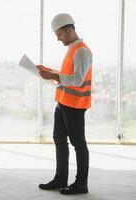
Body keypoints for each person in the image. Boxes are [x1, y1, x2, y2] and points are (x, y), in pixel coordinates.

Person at [37, 13, 92, 195]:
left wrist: (53, 75)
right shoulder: (72, 49)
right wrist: (48, 70)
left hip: (75, 105)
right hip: (63, 102)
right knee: (59, 140)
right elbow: (66, 74)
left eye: (60, 34)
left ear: (69, 30)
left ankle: (81, 184)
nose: (58, 38)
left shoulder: (82, 51)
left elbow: (77, 80)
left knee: (78, 143)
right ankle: (60, 179)